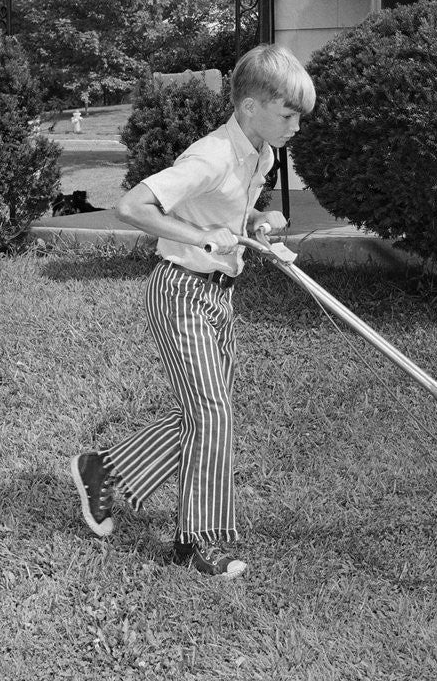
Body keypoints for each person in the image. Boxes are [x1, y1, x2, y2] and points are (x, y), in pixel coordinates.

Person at [69, 44, 316, 578]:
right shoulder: (211, 155)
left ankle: (105, 468)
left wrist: (257, 223)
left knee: (204, 413)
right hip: (180, 291)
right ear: (250, 108)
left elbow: (229, 209)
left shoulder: (261, 153)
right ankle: (197, 540)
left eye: (299, 117)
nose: (296, 126)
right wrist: (202, 239)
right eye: (288, 115)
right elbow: (133, 205)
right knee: (212, 414)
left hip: (217, 297)